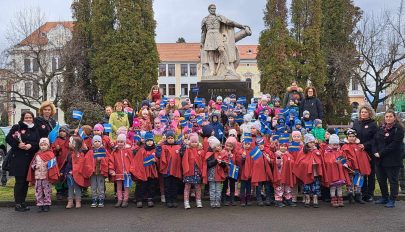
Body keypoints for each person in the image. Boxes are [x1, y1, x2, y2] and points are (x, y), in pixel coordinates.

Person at [6, 111, 40, 212]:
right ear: (22, 118)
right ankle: (18, 203)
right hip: (18, 159)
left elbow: (37, 143)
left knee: (26, 182)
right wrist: (18, 145)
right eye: (26, 118)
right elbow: (8, 139)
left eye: (30, 117)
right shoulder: (17, 127)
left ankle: (23, 202)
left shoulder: (35, 129)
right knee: (19, 182)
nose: (28, 119)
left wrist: (30, 145)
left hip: (30, 159)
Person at [373, 110, 404, 208]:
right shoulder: (381, 128)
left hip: (393, 160)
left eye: (390, 116)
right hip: (379, 160)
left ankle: (392, 199)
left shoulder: (398, 129)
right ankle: (384, 197)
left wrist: (380, 153)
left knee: (393, 181)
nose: (388, 118)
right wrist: (374, 152)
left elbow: (394, 145)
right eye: (386, 116)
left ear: (394, 117)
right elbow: (375, 141)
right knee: (381, 180)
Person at [352, 104, 378, 202]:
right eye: (362, 112)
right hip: (358, 152)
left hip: (369, 151)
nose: (363, 113)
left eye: (365, 112)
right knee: (361, 173)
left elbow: (375, 139)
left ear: (369, 113)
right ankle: (361, 192)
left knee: (370, 173)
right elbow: (352, 134)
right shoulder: (356, 122)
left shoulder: (373, 124)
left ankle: (370, 194)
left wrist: (365, 145)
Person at [26, 138, 59, 212]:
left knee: (47, 191)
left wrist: (49, 165)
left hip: (46, 176)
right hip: (38, 176)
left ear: (48, 146)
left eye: (45, 145)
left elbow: (54, 165)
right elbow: (32, 164)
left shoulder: (50, 154)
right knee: (38, 191)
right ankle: (40, 204)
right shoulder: (37, 154)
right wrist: (34, 166)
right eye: (41, 145)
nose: (43, 146)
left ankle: (47, 204)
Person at [293, 134, 326, 208]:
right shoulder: (303, 152)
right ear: (307, 143)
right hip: (306, 174)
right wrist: (308, 163)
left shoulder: (317, 151)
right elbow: (300, 162)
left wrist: (316, 163)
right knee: (306, 187)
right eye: (310, 142)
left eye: (313, 142)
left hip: (316, 173)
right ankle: (307, 199)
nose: (312, 144)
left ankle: (315, 199)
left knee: (316, 187)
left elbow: (321, 161)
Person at [341, 128, 371, 204]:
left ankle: (358, 196)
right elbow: (342, 156)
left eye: (353, 136)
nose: (352, 138)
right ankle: (350, 196)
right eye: (350, 136)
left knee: (358, 182)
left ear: (356, 137)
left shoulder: (359, 146)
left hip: (359, 168)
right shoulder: (344, 146)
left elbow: (363, 157)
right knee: (350, 182)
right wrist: (346, 163)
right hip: (350, 168)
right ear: (347, 137)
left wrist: (363, 165)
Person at [322, 134, 350, 208]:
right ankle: (333, 199)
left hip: (340, 172)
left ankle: (340, 199)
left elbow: (344, 159)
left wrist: (345, 163)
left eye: (337, 144)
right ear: (330, 144)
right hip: (332, 172)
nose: (336, 146)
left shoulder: (340, 152)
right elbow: (326, 161)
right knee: (333, 187)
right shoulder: (327, 152)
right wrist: (334, 162)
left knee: (339, 186)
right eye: (334, 144)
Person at [132, 132, 159, 208]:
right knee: (141, 186)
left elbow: (159, 159)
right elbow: (137, 161)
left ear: (153, 141)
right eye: (147, 141)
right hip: (143, 171)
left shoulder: (155, 149)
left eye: (151, 140)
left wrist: (156, 160)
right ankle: (139, 199)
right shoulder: (142, 150)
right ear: (145, 142)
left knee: (151, 186)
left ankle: (150, 199)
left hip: (152, 172)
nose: (149, 142)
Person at [81, 135, 109, 208]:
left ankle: (101, 200)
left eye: (98, 141)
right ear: (93, 143)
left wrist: (102, 159)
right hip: (92, 173)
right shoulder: (90, 152)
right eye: (95, 141)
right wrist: (90, 168)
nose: (97, 143)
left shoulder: (104, 151)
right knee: (93, 187)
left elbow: (108, 160)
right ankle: (94, 199)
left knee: (101, 187)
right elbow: (86, 162)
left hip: (100, 172)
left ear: (101, 142)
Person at [62, 136, 89, 209]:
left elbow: (82, 163)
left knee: (77, 188)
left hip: (77, 174)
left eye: (71, 142)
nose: (69, 144)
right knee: (70, 187)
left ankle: (78, 201)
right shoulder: (69, 154)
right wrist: (65, 172)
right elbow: (66, 163)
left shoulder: (81, 153)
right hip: (70, 174)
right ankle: (70, 201)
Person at [160, 130, 183, 208]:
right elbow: (159, 155)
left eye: (172, 138)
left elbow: (182, 155)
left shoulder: (178, 146)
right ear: (166, 139)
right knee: (167, 186)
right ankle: (168, 200)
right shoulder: (164, 146)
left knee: (174, 186)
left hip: (175, 170)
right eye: (168, 138)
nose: (170, 139)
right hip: (167, 170)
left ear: (174, 138)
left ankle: (174, 199)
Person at [109, 134, 133, 208]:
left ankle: (125, 200)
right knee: (119, 187)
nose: (120, 143)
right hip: (118, 172)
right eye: (118, 142)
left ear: (125, 142)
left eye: (122, 142)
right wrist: (111, 170)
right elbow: (111, 161)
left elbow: (132, 160)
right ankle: (119, 200)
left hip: (126, 172)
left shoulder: (128, 150)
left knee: (126, 186)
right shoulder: (114, 151)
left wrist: (130, 170)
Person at [204, 136, 228, 208]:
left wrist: (221, 163)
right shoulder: (209, 154)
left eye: (219, 145)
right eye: (217, 145)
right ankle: (212, 202)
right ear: (213, 147)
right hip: (211, 175)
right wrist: (215, 161)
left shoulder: (222, 153)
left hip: (219, 174)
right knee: (212, 189)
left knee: (218, 189)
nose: (219, 147)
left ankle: (217, 201)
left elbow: (225, 165)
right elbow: (208, 164)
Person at [182, 133, 204, 209]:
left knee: (197, 187)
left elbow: (202, 160)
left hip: (197, 172)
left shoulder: (200, 150)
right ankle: (186, 202)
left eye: (195, 142)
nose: (194, 143)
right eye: (192, 142)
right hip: (189, 172)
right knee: (187, 187)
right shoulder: (187, 150)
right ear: (190, 142)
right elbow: (184, 161)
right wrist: (186, 171)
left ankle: (198, 201)